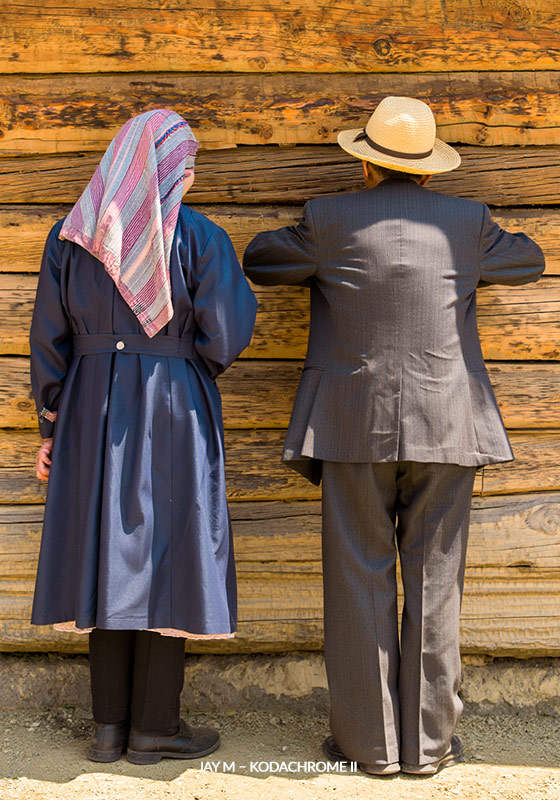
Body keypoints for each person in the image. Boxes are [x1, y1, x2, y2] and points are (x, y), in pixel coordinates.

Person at [243, 96, 545, 776]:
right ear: (431, 172)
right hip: (449, 424)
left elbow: (261, 261)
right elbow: (528, 262)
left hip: (353, 423)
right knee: (438, 583)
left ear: (364, 163)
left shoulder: (328, 218)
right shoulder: (468, 222)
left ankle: (369, 749)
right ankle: (429, 747)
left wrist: (318, 249)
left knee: (358, 580)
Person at [30, 109, 257, 765]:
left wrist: (52, 421)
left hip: (89, 410)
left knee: (103, 551)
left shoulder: (70, 239)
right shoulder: (199, 236)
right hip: (172, 406)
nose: (189, 172)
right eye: (185, 161)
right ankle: (155, 728)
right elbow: (225, 334)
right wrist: (179, 360)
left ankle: (108, 730)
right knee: (171, 552)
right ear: (167, 166)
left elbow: (49, 339)